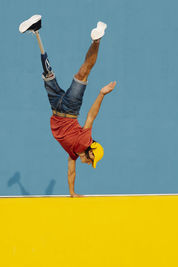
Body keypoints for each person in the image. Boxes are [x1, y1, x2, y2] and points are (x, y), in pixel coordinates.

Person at [19, 14, 116, 197]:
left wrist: (72, 193)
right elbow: (90, 117)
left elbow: (71, 172)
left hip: (56, 107)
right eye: (91, 161)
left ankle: (36, 30)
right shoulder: (85, 141)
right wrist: (101, 94)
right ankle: (97, 40)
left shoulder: (73, 154)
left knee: (48, 72)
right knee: (83, 72)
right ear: (91, 151)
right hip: (71, 108)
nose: (88, 163)